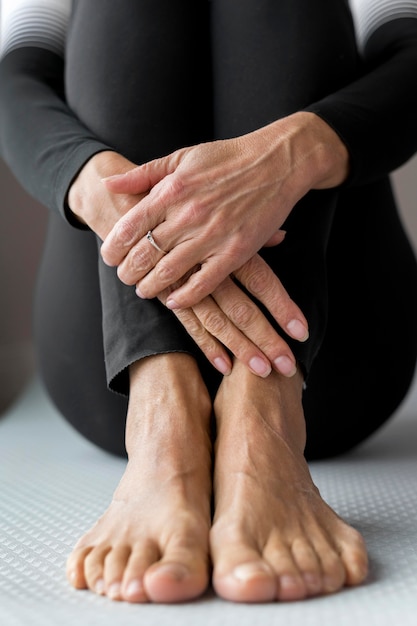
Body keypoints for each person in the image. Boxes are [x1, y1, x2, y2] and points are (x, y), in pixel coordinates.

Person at [1, 0, 417, 605]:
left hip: (332, 364)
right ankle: (161, 414)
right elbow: (14, 80)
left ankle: (265, 413)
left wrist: (286, 156)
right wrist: (107, 193)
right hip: (109, 367)